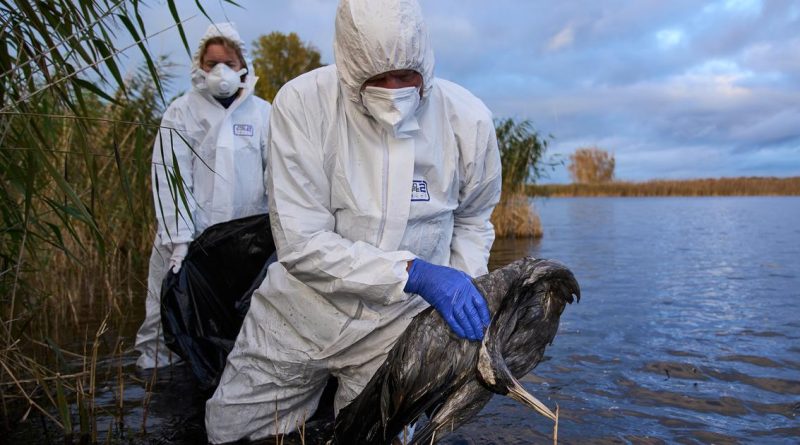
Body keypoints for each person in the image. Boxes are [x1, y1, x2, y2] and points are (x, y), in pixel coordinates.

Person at [205, 0, 501, 441]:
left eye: (406, 76)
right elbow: (302, 243)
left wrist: (461, 287)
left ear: (426, 62)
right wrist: (413, 272)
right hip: (299, 313)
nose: (394, 90)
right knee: (229, 430)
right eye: (377, 79)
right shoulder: (303, 105)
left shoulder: (467, 120)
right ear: (349, 68)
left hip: (398, 326)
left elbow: (474, 218)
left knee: (377, 436)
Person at [134, 22, 271, 369]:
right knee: (168, 318)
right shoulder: (181, 112)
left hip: (245, 246)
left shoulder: (263, 114)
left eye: (228, 62)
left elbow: (277, 176)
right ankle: (160, 380)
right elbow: (170, 176)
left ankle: (230, 380)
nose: (221, 71)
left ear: (243, 65)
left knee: (239, 321)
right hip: (190, 242)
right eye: (212, 63)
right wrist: (179, 241)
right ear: (200, 65)